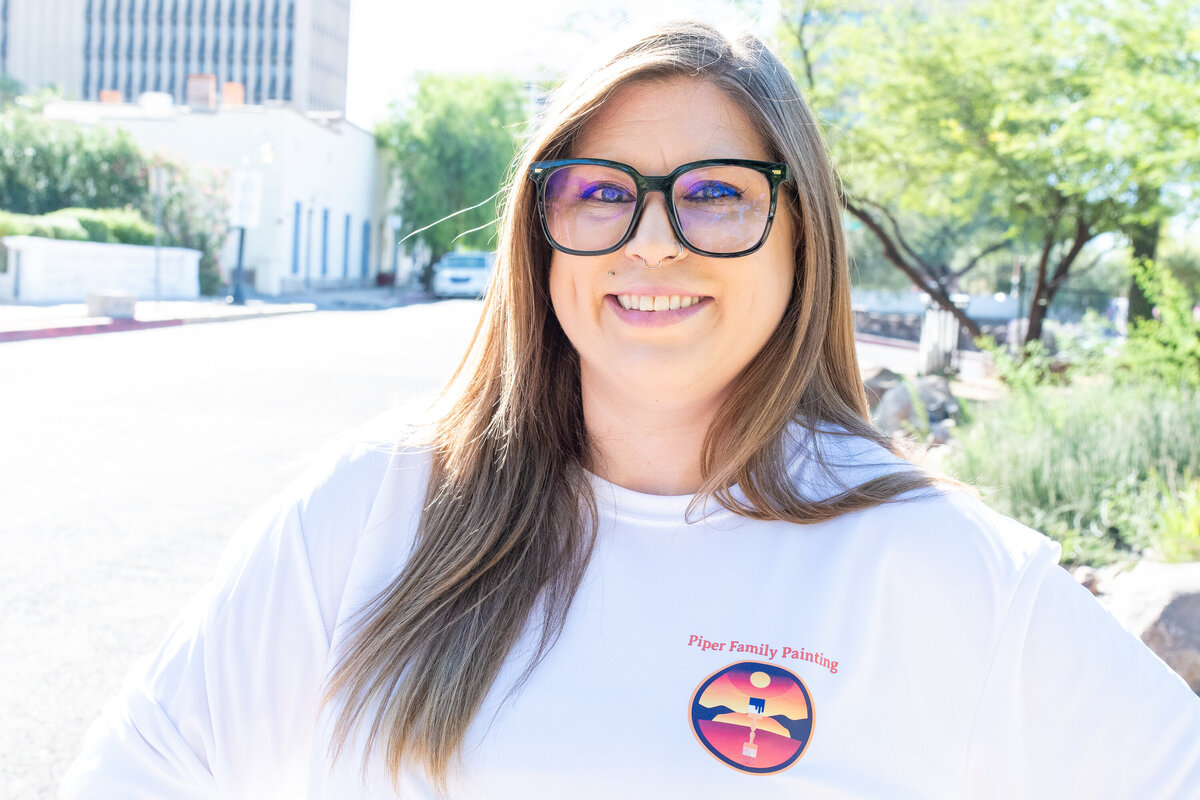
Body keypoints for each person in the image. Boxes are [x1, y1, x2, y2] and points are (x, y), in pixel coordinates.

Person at [63, 20, 1200, 800]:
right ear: (541, 231)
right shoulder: (371, 508)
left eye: (715, 195)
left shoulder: (942, 568)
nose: (653, 238)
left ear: (802, 238)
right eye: (601, 192)